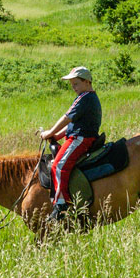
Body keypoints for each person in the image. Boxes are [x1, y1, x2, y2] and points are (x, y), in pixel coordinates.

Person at [39, 66, 102, 224]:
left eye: (76, 84)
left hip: (81, 138)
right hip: (77, 135)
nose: (73, 87)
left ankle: (61, 205)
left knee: (59, 165)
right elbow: (73, 123)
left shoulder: (85, 97)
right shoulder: (86, 97)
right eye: (72, 84)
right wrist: (57, 135)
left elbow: (67, 118)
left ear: (87, 82)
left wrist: (50, 132)